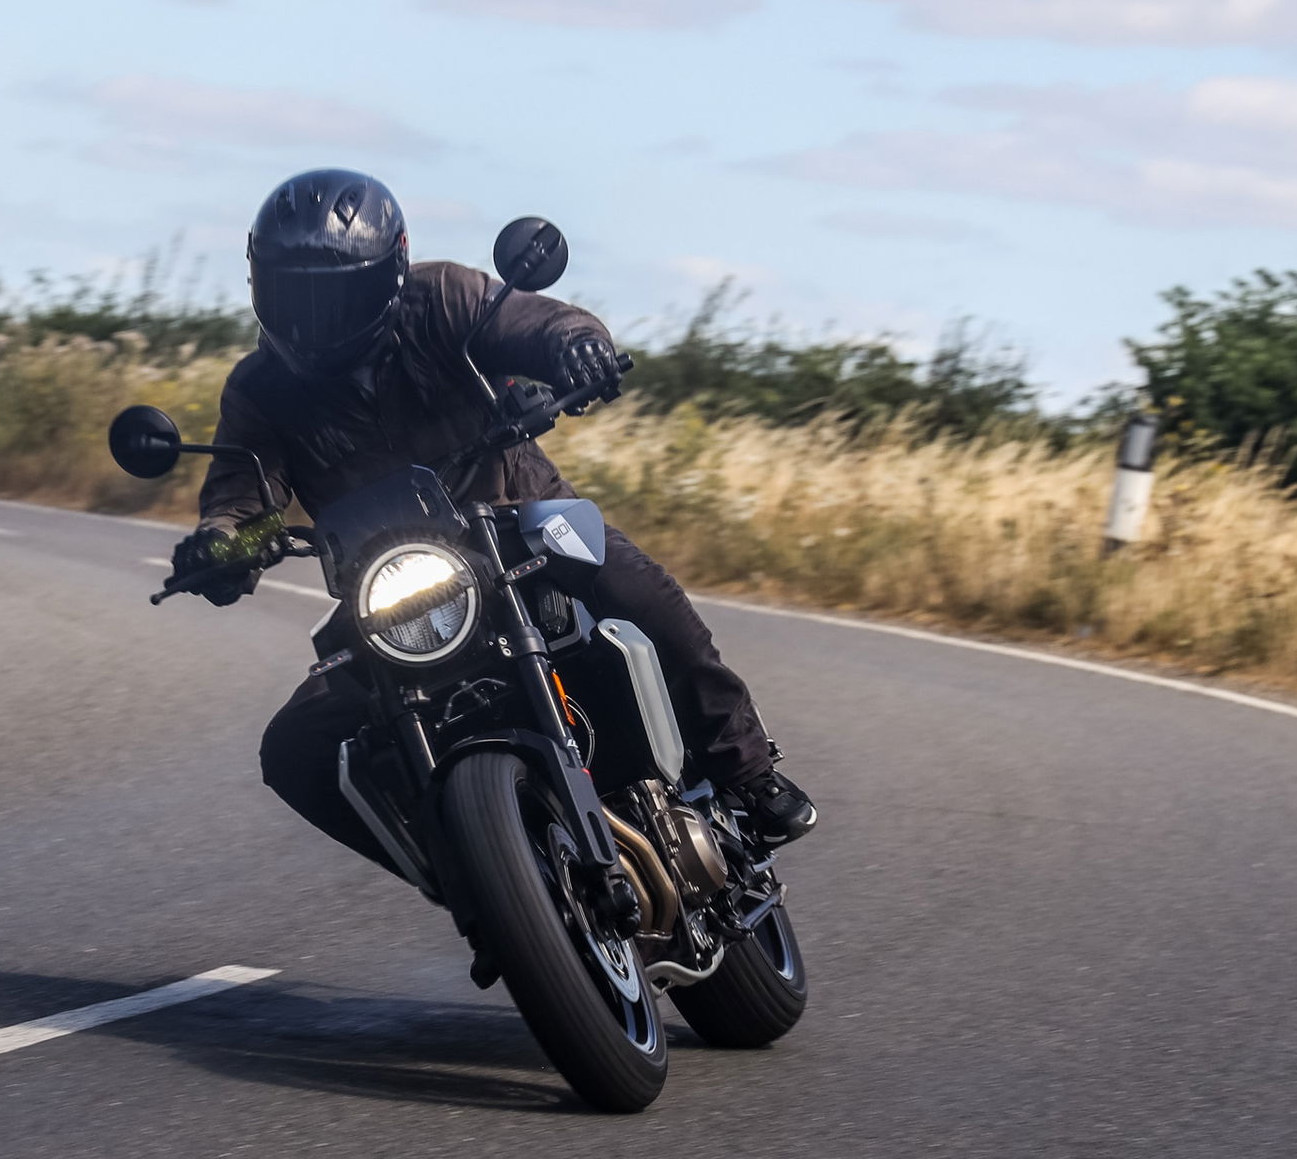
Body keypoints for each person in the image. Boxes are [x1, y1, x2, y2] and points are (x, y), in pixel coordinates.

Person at [173, 167, 816, 873]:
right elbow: (247, 496)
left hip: (519, 524)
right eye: (296, 292)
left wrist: (576, 346)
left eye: (334, 292)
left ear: (389, 272)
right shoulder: (261, 390)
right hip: (390, 587)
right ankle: (462, 874)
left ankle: (747, 773)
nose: (313, 317)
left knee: (638, 589)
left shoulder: (443, 297)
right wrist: (224, 543)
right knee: (295, 748)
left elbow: (534, 323)